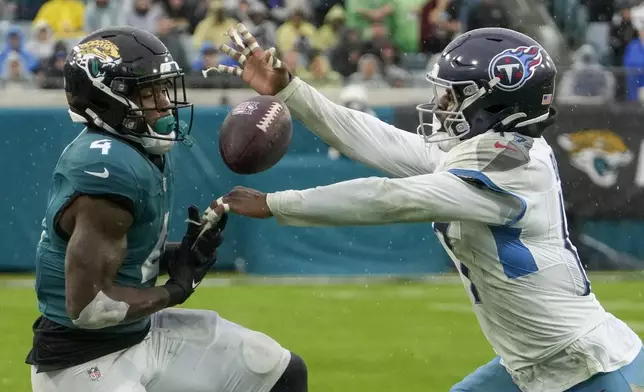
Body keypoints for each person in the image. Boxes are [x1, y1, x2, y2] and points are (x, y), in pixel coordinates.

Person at [207, 24, 644, 392]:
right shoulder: (495, 147)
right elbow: (376, 139)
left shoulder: (511, 166)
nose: (441, 106)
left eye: (454, 96)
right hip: (531, 365)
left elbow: (392, 198)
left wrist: (277, 204)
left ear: (497, 103)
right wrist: (290, 91)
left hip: (587, 368)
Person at [26, 26, 308, 392]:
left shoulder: (139, 150)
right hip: (82, 361)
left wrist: (177, 255)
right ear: (108, 99)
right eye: (149, 93)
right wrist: (176, 289)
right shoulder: (108, 170)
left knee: (278, 372)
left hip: (137, 335)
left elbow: (122, 260)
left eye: (163, 88)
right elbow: (90, 308)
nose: (164, 102)